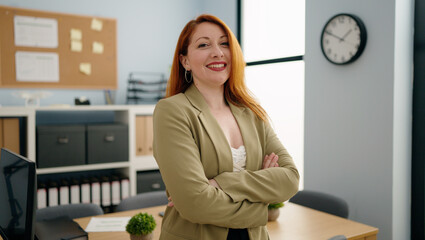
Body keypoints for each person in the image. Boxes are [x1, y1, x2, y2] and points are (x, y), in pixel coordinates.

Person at [153, 14, 299, 240]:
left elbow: (289, 179)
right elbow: (195, 204)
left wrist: (219, 183)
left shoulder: (251, 112)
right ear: (185, 61)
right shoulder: (173, 111)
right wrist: (262, 200)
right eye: (204, 45)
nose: (218, 52)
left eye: (224, 43)